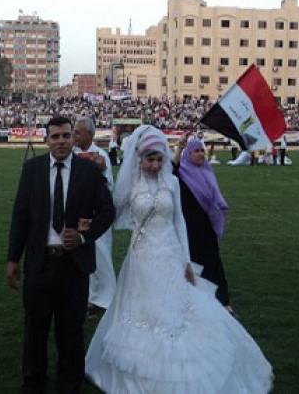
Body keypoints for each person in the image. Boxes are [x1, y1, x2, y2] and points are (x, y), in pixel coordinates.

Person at [85, 125, 273, 393]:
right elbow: (110, 213)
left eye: (159, 159)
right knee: (144, 308)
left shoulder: (171, 182)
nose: (155, 165)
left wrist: (185, 259)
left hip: (171, 252)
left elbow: (179, 221)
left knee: (180, 307)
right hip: (141, 256)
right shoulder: (130, 185)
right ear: (139, 158)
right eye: (150, 160)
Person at [6, 116, 115, 394]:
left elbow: (107, 211)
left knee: (71, 330)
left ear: (73, 138)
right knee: (35, 329)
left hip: (73, 266)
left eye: (66, 136)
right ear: (47, 140)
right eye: (55, 137)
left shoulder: (88, 171)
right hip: (39, 264)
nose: (61, 141)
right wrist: (13, 258)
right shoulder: (32, 170)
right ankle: (34, 382)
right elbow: (21, 216)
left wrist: (83, 236)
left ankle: (69, 382)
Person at [173, 133, 233, 312]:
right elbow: (170, 169)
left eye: (202, 151)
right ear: (189, 154)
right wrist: (179, 148)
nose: (200, 154)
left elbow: (215, 197)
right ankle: (198, 301)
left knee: (213, 262)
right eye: (196, 151)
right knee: (194, 263)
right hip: (190, 227)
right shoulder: (182, 173)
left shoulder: (207, 171)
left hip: (207, 225)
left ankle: (224, 300)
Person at [72, 117, 117, 317]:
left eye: (78, 132)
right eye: (74, 131)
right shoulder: (71, 154)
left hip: (96, 216)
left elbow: (109, 186)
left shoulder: (101, 155)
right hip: (75, 213)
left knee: (101, 256)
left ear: (90, 135)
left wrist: (102, 170)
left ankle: (102, 298)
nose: (74, 135)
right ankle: (86, 296)